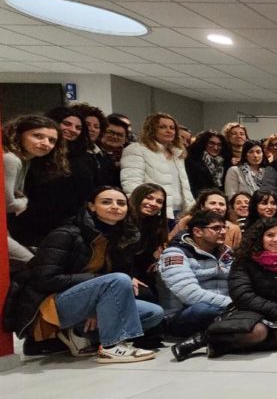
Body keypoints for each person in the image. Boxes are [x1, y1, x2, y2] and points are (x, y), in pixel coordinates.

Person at [5, 186, 163, 364]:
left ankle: (80, 334)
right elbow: (44, 279)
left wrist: (97, 300)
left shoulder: (120, 237)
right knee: (119, 279)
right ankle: (112, 347)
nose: (115, 206)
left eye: (121, 203)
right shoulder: (66, 234)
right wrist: (96, 284)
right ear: (92, 206)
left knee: (153, 312)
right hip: (50, 304)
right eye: (106, 202)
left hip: (86, 298)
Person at [210, 217, 277, 355]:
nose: (276, 240)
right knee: (258, 332)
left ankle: (244, 345)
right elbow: (242, 296)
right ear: (259, 237)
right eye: (270, 235)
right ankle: (213, 341)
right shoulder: (243, 260)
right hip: (249, 313)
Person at [160, 210, 234, 360]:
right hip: (182, 315)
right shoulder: (175, 254)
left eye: (224, 227)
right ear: (197, 231)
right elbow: (190, 294)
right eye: (216, 228)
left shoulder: (226, 252)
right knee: (205, 309)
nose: (223, 232)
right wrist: (233, 304)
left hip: (223, 308)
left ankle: (208, 339)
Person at [4, 115, 65, 263]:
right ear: (19, 134)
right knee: (34, 265)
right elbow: (8, 205)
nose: (46, 144)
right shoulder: (11, 160)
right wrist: (23, 202)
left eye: (52, 140)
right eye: (38, 136)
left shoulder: (25, 160)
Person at [120, 113, 194, 219]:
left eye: (172, 128)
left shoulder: (178, 154)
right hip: (154, 212)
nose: (169, 131)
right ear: (151, 129)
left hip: (180, 212)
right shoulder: (136, 149)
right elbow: (131, 184)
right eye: (162, 127)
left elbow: (184, 188)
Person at [185, 130, 225, 197]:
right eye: (211, 143)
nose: (215, 148)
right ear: (203, 143)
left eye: (219, 145)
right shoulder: (191, 162)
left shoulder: (225, 163)